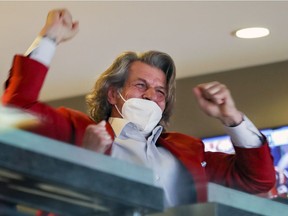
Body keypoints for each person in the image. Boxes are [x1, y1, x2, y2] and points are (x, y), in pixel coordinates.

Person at [2, 8, 275, 214]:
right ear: (113, 94)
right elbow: (16, 109)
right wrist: (49, 38)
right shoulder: (78, 131)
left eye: (160, 92)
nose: (150, 95)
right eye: (141, 85)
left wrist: (231, 117)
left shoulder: (189, 151)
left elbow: (258, 181)